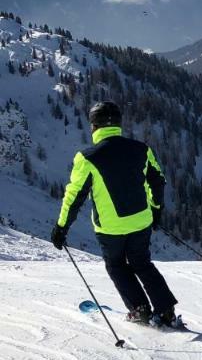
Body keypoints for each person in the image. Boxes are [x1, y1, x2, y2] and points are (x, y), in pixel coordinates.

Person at [51, 101, 181, 328]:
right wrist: (156, 210)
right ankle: (166, 311)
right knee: (143, 264)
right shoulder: (141, 149)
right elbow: (158, 180)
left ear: (94, 126)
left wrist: (61, 227)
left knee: (116, 266)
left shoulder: (87, 157)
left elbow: (74, 197)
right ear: (118, 123)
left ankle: (139, 309)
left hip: (110, 229)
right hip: (141, 220)